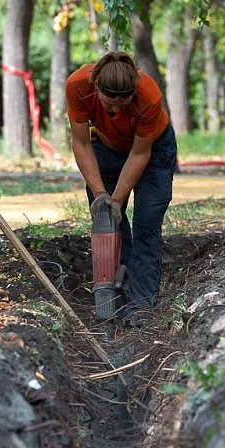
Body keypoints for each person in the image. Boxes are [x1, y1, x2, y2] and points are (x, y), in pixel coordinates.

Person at [65, 51, 177, 324]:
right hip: (105, 147)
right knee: (107, 220)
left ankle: (141, 305)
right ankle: (119, 290)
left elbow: (140, 155)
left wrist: (117, 197)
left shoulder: (148, 95)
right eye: (108, 104)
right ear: (96, 87)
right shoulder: (78, 85)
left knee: (146, 222)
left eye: (122, 104)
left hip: (153, 150)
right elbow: (80, 143)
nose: (114, 110)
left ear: (132, 94)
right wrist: (102, 196)